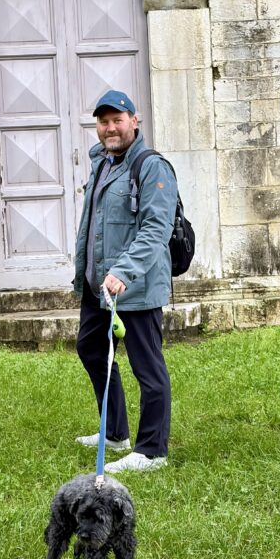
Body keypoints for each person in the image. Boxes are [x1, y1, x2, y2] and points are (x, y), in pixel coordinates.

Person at [74, 90, 177, 473]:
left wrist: (124, 271)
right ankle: (115, 432)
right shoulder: (102, 162)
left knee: (146, 366)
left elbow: (155, 228)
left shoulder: (152, 167)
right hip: (99, 284)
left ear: (135, 121)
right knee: (91, 348)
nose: (110, 127)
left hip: (134, 285)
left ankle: (152, 451)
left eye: (117, 119)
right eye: (103, 121)